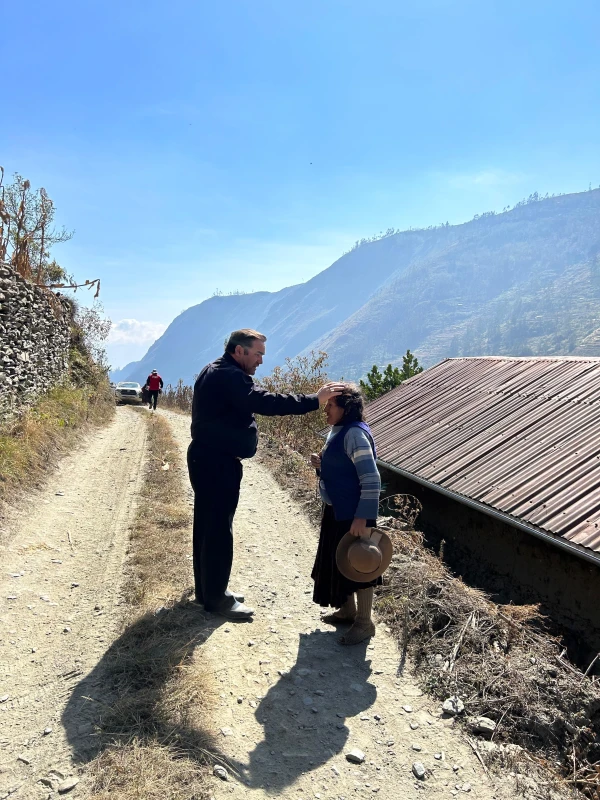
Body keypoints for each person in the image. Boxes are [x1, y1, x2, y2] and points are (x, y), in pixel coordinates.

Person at [188, 328, 345, 621]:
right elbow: (267, 402)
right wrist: (315, 399)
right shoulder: (230, 376)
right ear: (239, 351)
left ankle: (207, 591)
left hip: (207, 458)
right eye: (258, 353)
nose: (261, 360)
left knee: (207, 525)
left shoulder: (214, 370)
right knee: (219, 529)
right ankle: (217, 599)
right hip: (217, 462)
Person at [310, 383, 382, 645]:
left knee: (360, 564)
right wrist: (321, 464)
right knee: (342, 561)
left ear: (344, 408)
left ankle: (364, 623)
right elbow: (342, 468)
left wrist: (362, 517)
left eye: (330, 404)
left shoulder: (355, 435)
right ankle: (349, 611)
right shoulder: (338, 431)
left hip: (354, 514)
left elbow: (371, 479)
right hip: (339, 510)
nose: (325, 409)